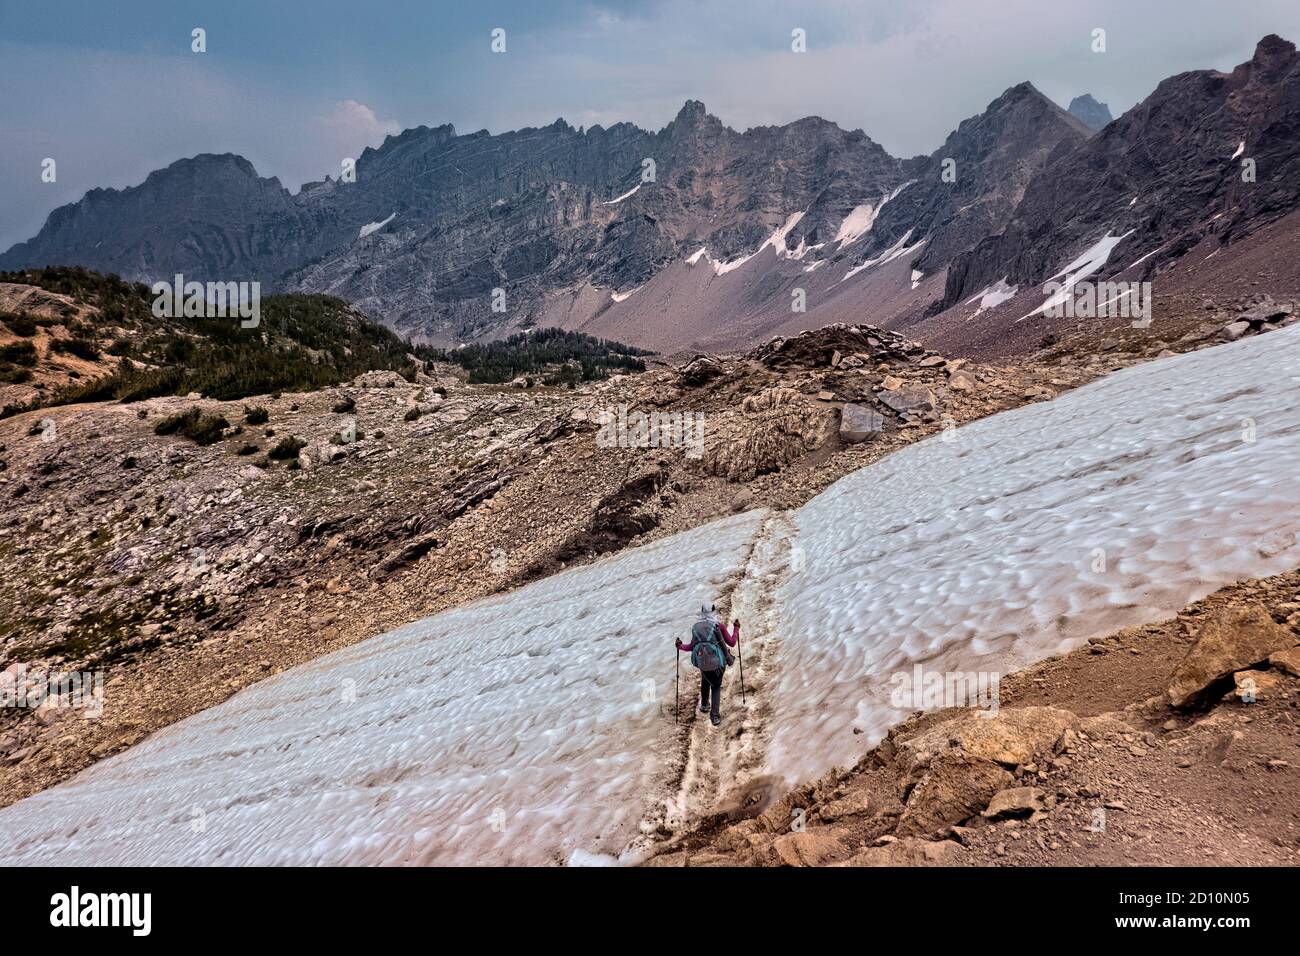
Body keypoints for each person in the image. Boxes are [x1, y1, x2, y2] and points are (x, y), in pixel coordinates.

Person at [676, 603, 740, 726]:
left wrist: (680, 646)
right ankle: (715, 716)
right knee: (715, 686)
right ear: (713, 611)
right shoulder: (718, 626)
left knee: (705, 679)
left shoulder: (696, 627)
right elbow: (732, 643)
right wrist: (736, 629)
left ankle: (704, 705)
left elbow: (691, 647)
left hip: (702, 662)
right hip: (718, 663)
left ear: (701, 612)